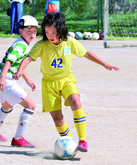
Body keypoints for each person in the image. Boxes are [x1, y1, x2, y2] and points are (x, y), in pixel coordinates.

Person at [13, 12, 119, 152]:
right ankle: (70, 143)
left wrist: (104, 64)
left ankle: (82, 140)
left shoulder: (70, 42)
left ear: (61, 30)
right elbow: (28, 58)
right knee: (58, 119)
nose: (50, 36)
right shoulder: (42, 45)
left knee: (76, 101)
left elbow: (86, 53)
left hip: (67, 80)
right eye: (47, 32)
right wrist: (20, 69)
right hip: (49, 84)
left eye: (54, 32)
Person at [0, 15, 40, 147]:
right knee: (30, 106)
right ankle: (18, 139)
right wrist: (4, 78)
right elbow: (9, 60)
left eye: (34, 31)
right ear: (20, 31)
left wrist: (27, 80)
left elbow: (18, 65)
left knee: (7, 107)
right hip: (4, 80)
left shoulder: (22, 43)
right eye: (28, 30)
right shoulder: (21, 45)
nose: (32, 34)